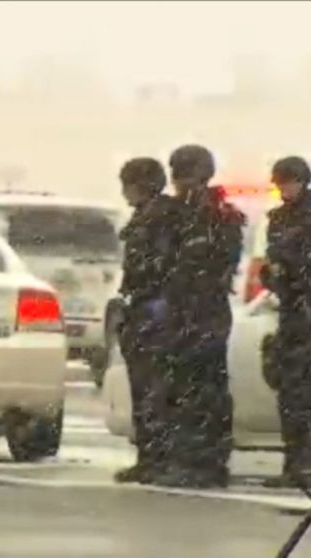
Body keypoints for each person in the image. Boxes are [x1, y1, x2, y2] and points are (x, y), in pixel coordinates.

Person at [159, 144, 245, 488]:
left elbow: (206, 266)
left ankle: (201, 463)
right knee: (196, 387)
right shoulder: (203, 212)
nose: (178, 182)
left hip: (198, 311)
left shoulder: (208, 214)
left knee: (197, 389)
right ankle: (199, 461)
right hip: (195, 311)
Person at [260, 156, 311, 488]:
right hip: (291, 310)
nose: (284, 189)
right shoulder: (278, 220)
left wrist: (296, 273)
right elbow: (275, 266)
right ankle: (294, 463)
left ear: (302, 182)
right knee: (288, 391)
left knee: (306, 391)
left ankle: (308, 464)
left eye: (289, 182)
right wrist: (275, 276)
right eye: (280, 182)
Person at [113, 157, 184, 484]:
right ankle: (149, 458)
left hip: (157, 312)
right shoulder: (146, 216)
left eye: (128, 185)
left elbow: (161, 268)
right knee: (144, 390)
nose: (125, 193)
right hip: (141, 311)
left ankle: (158, 458)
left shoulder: (163, 218)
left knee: (156, 391)